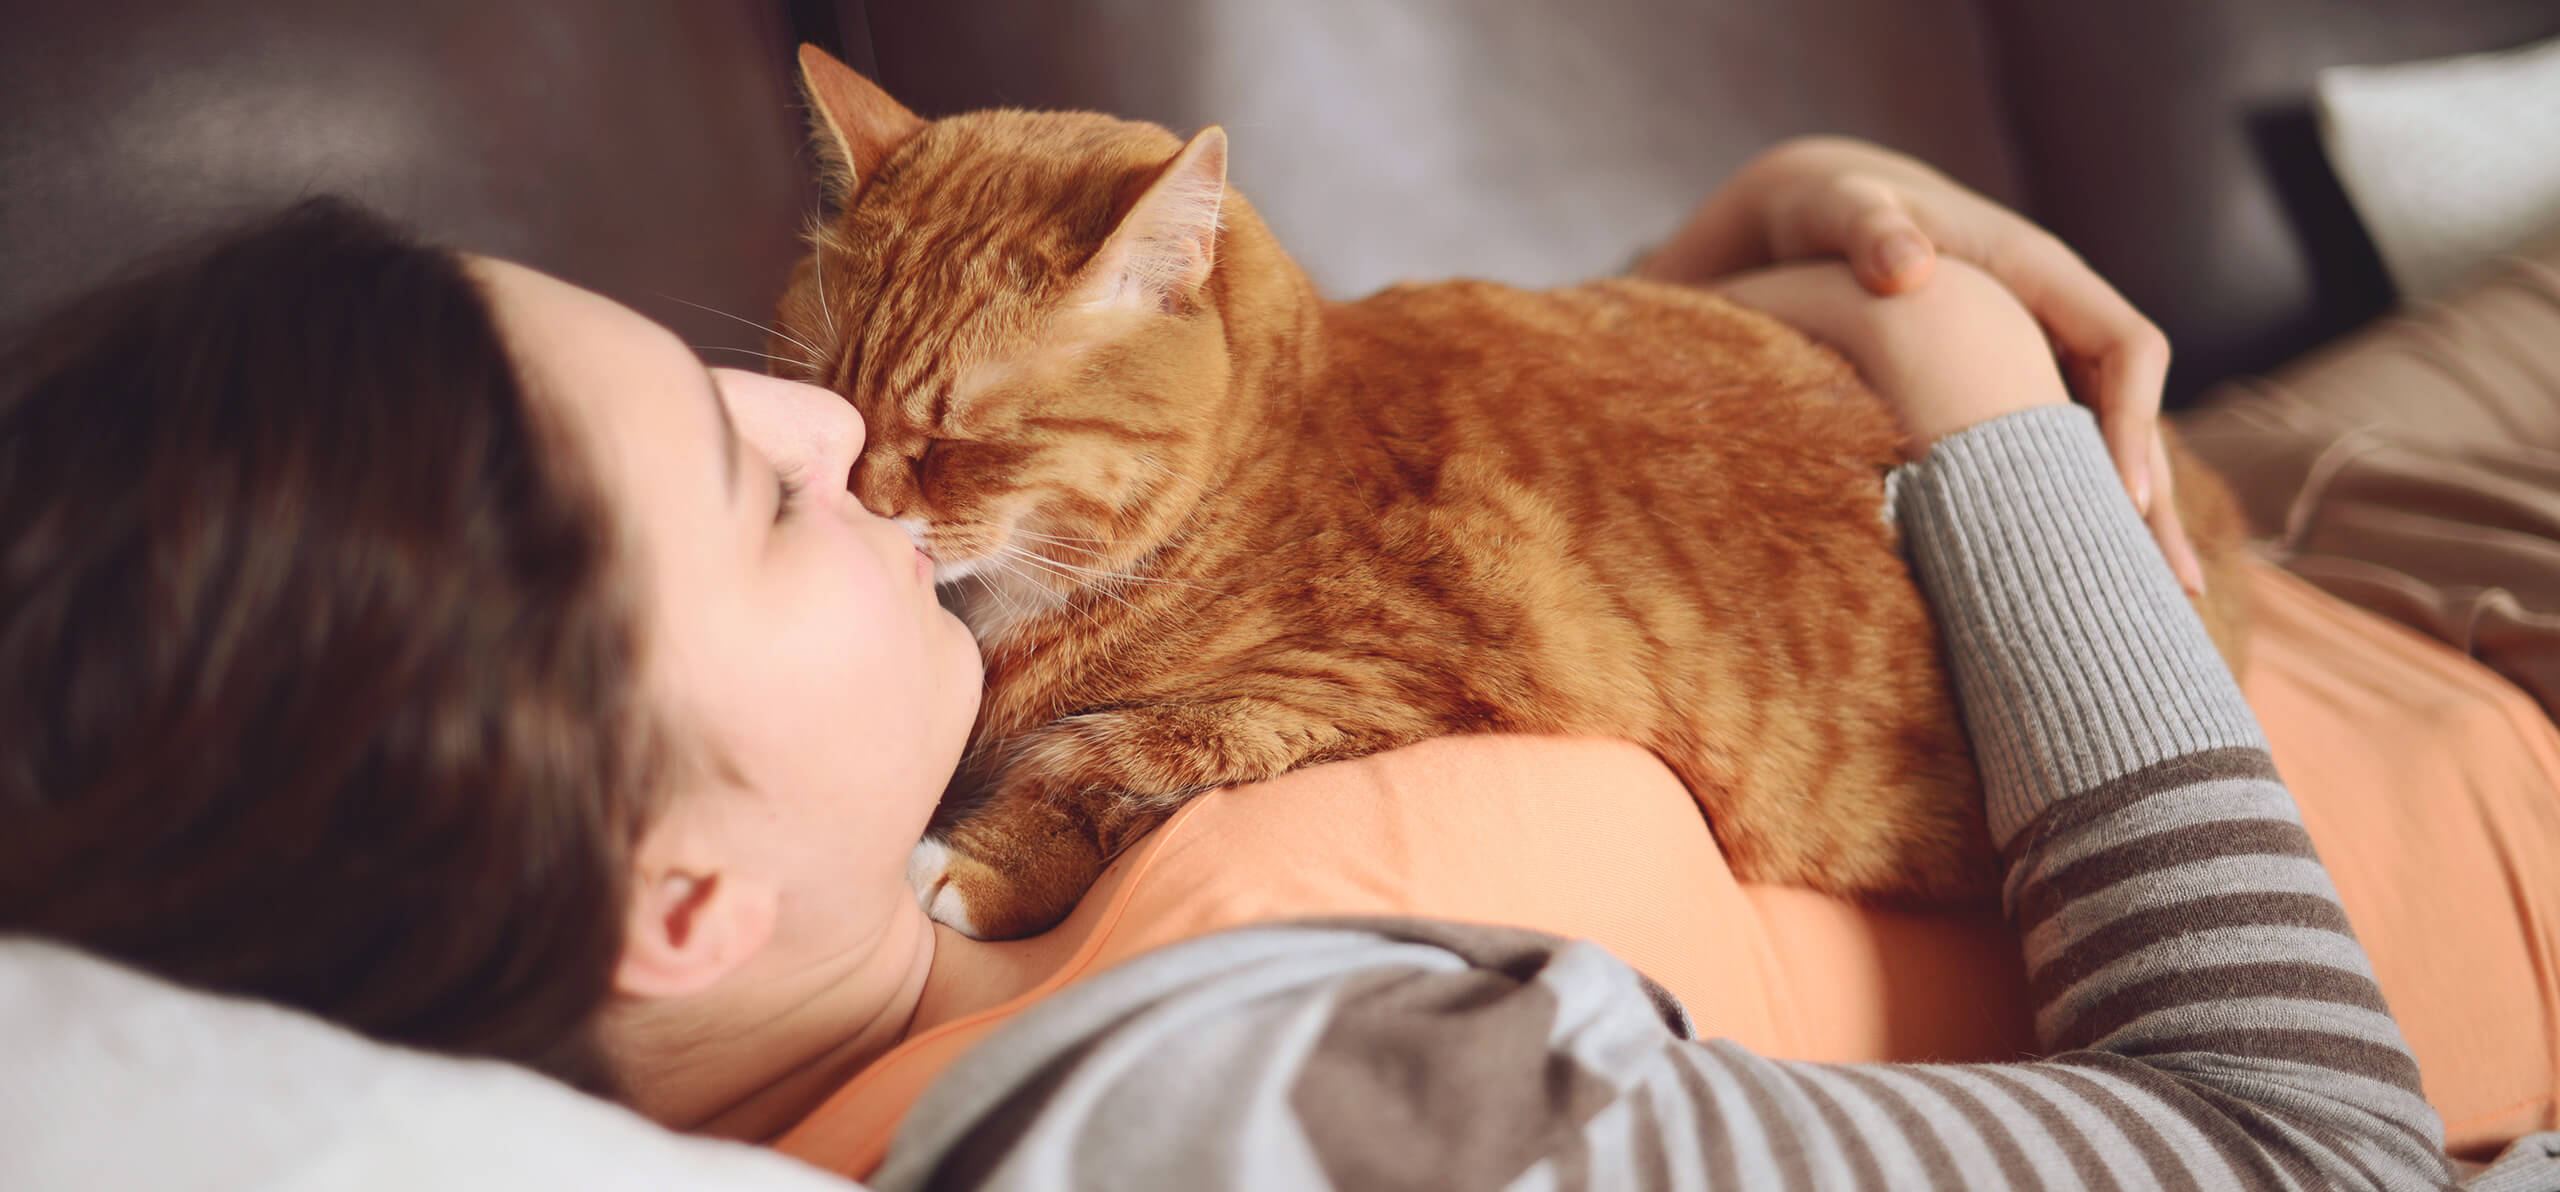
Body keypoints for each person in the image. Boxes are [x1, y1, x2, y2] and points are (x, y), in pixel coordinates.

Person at [0, 138, 2477, 1189]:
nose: (822, 415)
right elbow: (2304, 1148)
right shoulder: (1258, 1117)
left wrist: (1747, 256)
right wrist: (1973, 411)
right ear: (669, 902)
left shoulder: (990, 917)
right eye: (752, 484)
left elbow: (1428, 558)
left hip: (2303, 564)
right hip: (2441, 725)